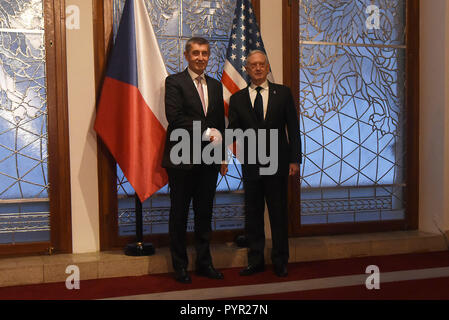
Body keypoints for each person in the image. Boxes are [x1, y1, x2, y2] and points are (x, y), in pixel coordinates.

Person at [223, 50, 301, 277]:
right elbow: (233, 131)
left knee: (278, 214)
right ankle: (255, 261)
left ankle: (280, 261)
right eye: (252, 65)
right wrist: (222, 157)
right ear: (246, 70)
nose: (257, 68)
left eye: (261, 64)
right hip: (251, 165)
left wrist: (295, 159)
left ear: (267, 68)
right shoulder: (237, 99)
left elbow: (293, 130)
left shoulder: (283, 93)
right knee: (254, 214)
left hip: (278, 163)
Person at [162, 37, 226, 283]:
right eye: (196, 53)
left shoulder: (216, 85)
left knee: (204, 214)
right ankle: (179, 266)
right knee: (179, 215)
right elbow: (175, 118)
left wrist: (223, 156)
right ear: (187, 55)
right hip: (182, 160)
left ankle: (204, 263)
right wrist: (206, 132)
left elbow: (220, 123)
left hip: (209, 161)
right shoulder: (174, 82)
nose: (201, 57)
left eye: (205, 53)